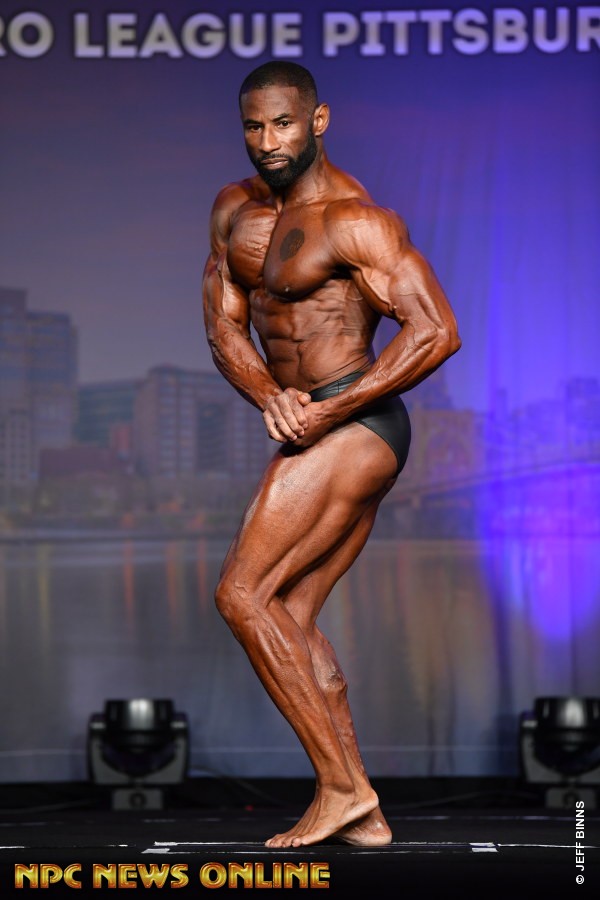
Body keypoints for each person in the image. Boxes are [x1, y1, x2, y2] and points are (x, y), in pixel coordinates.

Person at [202, 61, 461, 848]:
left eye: (283, 123)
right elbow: (224, 326)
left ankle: (342, 787)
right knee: (291, 612)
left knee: (242, 595)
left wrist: (329, 408)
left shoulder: (356, 221)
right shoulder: (232, 211)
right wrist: (270, 395)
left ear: (317, 121)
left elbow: (437, 332)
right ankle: (366, 814)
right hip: (314, 422)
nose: (268, 141)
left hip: (359, 421)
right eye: (254, 127)